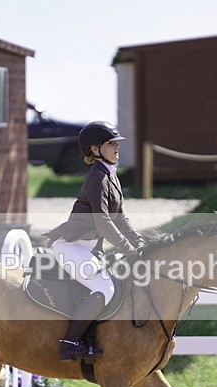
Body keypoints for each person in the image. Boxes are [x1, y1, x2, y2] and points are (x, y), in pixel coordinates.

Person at [44, 121, 144, 361]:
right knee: (104, 287)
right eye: (111, 144)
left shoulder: (110, 176)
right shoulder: (96, 179)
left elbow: (120, 218)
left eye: (116, 143)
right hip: (70, 247)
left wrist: (140, 243)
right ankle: (69, 344)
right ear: (94, 149)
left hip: (89, 247)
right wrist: (128, 249)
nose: (117, 147)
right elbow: (104, 223)